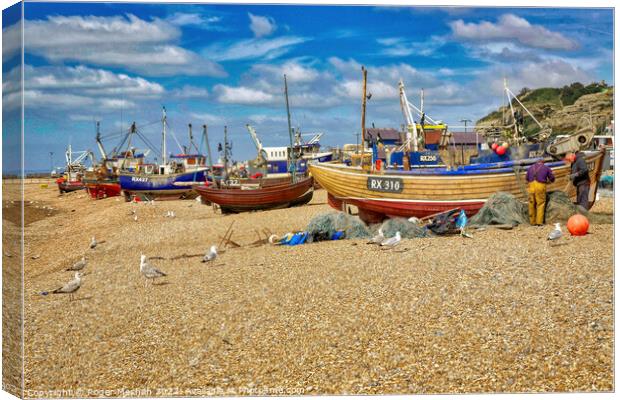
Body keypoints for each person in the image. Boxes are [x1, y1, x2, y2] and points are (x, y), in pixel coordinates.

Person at [525, 159, 555, 226]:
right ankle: (539, 222)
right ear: (543, 163)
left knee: (531, 203)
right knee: (540, 203)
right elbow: (552, 178)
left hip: (531, 186)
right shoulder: (546, 168)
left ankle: (532, 222)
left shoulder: (530, 168)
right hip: (540, 186)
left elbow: (526, 178)